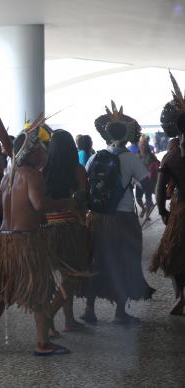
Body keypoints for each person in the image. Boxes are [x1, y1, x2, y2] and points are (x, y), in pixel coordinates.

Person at [0, 123, 76, 357]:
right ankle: (42, 343)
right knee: (39, 291)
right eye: (42, 149)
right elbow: (39, 204)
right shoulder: (32, 174)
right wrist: (65, 203)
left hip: (5, 242)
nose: (45, 153)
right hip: (25, 242)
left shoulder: (8, 175)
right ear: (33, 152)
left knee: (0, 293)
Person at [82, 102, 155, 324]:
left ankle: (89, 309)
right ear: (126, 136)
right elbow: (146, 184)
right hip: (122, 217)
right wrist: (148, 201)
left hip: (96, 217)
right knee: (124, 260)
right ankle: (120, 313)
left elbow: (85, 183)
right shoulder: (130, 158)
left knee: (96, 259)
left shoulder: (95, 157)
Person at [42, 129, 91, 334]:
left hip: (45, 230)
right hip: (69, 229)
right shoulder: (77, 169)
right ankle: (49, 318)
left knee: (52, 277)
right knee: (71, 276)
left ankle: (62, 322)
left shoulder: (43, 170)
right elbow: (84, 198)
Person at [150, 72, 185, 315]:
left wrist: (162, 210)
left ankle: (179, 295)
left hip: (181, 210)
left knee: (175, 255)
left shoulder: (171, 156)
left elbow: (159, 188)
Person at [136, 134, 159, 219]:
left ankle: (147, 215)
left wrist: (152, 171)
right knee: (138, 198)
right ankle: (143, 208)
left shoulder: (151, 156)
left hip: (148, 181)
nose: (142, 146)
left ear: (146, 145)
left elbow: (157, 164)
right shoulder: (136, 155)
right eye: (141, 144)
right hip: (138, 181)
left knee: (148, 199)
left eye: (144, 144)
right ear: (139, 144)